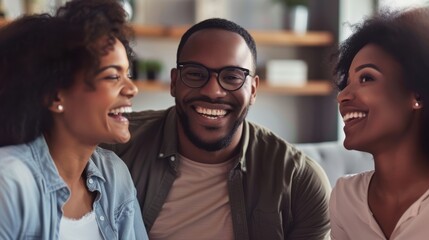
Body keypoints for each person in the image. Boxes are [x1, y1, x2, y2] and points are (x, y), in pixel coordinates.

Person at [105, 18, 331, 239]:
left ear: (253, 90)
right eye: (195, 73)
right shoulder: (112, 147)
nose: (212, 92)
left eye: (232, 77)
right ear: (174, 82)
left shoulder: (300, 182)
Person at [0, 0, 148, 239]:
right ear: (55, 95)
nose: (131, 89)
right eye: (113, 76)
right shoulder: (9, 181)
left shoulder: (114, 175)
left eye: (128, 74)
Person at [331, 7, 429, 240]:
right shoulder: (345, 197)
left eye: (366, 78)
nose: (342, 96)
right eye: (347, 82)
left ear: (417, 95)